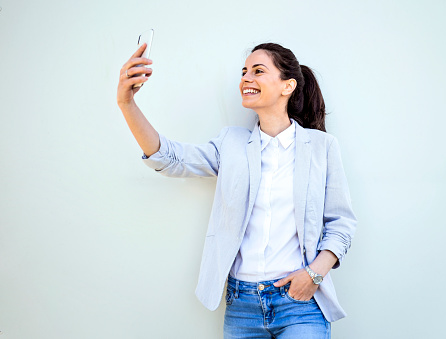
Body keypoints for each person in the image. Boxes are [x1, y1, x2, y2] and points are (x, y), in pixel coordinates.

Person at [117, 42, 357, 339]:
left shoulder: (322, 147)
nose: (246, 78)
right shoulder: (231, 143)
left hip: (300, 303)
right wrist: (127, 104)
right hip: (241, 305)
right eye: (244, 72)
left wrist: (314, 275)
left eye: (258, 71)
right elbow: (171, 159)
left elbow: (341, 223)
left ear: (287, 86)